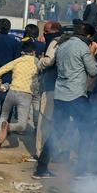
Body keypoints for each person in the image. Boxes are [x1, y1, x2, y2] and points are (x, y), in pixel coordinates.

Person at [34, 22, 97, 179]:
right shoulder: (83, 48)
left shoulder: (61, 45)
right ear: (88, 36)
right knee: (87, 130)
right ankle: (81, 171)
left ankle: (41, 169)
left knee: (56, 132)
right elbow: (93, 70)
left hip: (60, 95)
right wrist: (91, 54)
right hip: (76, 95)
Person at [0, 40, 41, 148]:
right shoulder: (37, 62)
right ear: (33, 52)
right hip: (25, 95)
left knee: (3, 116)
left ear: (22, 51)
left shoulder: (17, 61)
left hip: (11, 92)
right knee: (22, 125)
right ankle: (9, 127)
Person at [36, 21, 65, 160]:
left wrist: (39, 62)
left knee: (44, 121)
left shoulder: (54, 42)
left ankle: (41, 152)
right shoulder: (68, 42)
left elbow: (47, 62)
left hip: (50, 87)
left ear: (54, 31)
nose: (44, 34)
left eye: (46, 31)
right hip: (65, 89)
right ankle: (55, 151)